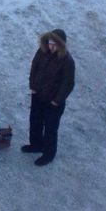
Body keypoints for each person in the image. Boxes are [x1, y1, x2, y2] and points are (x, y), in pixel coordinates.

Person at [21, 29, 75, 166]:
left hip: (53, 102)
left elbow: (68, 83)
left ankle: (49, 154)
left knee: (50, 128)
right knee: (35, 121)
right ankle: (36, 144)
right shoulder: (42, 52)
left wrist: (57, 100)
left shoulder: (67, 61)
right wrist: (33, 86)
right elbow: (34, 68)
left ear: (61, 45)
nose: (51, 47)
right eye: (50, 43)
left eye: (55, 44)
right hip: (38, 95)